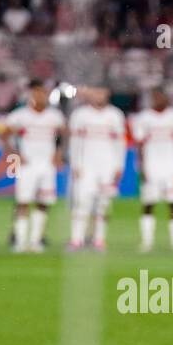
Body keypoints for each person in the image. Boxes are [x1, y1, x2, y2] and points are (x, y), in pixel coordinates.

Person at [3, 79, 63, 253]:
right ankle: (20, 241)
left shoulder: (55, 116)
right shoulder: (20, 115)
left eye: (42, 93)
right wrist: (15, 155)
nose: (39, 96)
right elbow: (4, 136)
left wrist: (58, 155)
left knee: (44, 201)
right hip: (27, 165)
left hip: (47, 165)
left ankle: (36, 240)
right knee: (23, 201)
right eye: (36, 93)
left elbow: (62, 136)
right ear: (31, 95)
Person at [67, 85, 126, 251]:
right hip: (86, 165)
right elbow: (74, 142)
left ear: (108, 93)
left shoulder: (115, 115)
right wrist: (75, 163)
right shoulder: (80, 115)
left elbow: (120, 142)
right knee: (82, 201)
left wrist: (119, 165)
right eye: (95, 92)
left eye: (102, 91)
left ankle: (99, 239)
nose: (99, 95)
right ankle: (76, 239)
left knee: (103, 204)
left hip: (107, 165)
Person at [131, 87, 173, 252]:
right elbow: (139, 144)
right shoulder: (144, 118)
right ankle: (147, 241)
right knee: (149, 203)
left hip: (171, 166)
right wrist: (141, 166)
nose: (158, 100)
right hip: (151, 165)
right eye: (155, 97)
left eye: (161, 96)